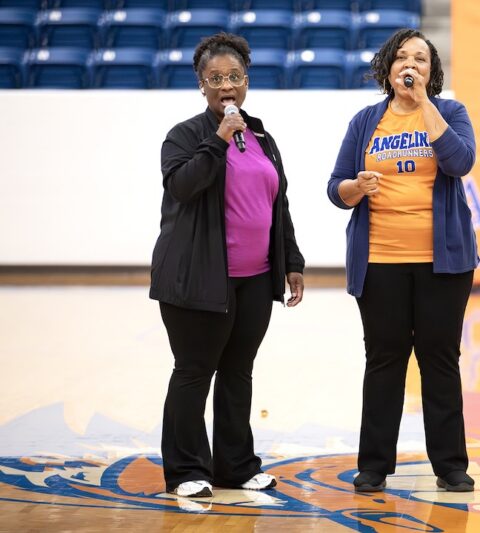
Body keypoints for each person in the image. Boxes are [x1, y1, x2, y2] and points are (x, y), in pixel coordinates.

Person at [150, 32, 305, 498]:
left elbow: (278, 203)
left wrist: (291, 260)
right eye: (215, 78)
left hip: (255, 279)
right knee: (194, 371)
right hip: (197, 281)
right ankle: (185, 471)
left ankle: (235, 465)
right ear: (201, 84)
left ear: (246, 81)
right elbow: (184, 186)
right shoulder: (184, 136)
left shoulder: (261, 136)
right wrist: (218, 140)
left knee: (239, 372)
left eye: (234, 77)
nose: (226, 87)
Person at [327, 29, 479, 493]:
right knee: (384, 359)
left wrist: (426, 105)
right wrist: (356, 188)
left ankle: (450, 465)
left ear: (431, 74)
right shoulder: (365, 120)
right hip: (379, 260)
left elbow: (460, 162)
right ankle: (374, 465)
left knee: (440, 359)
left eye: (421, 61)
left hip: (444, 262)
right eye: (401, 58)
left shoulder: (450, 112)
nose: (409, 65)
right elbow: (337, 188)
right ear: (387, 67)